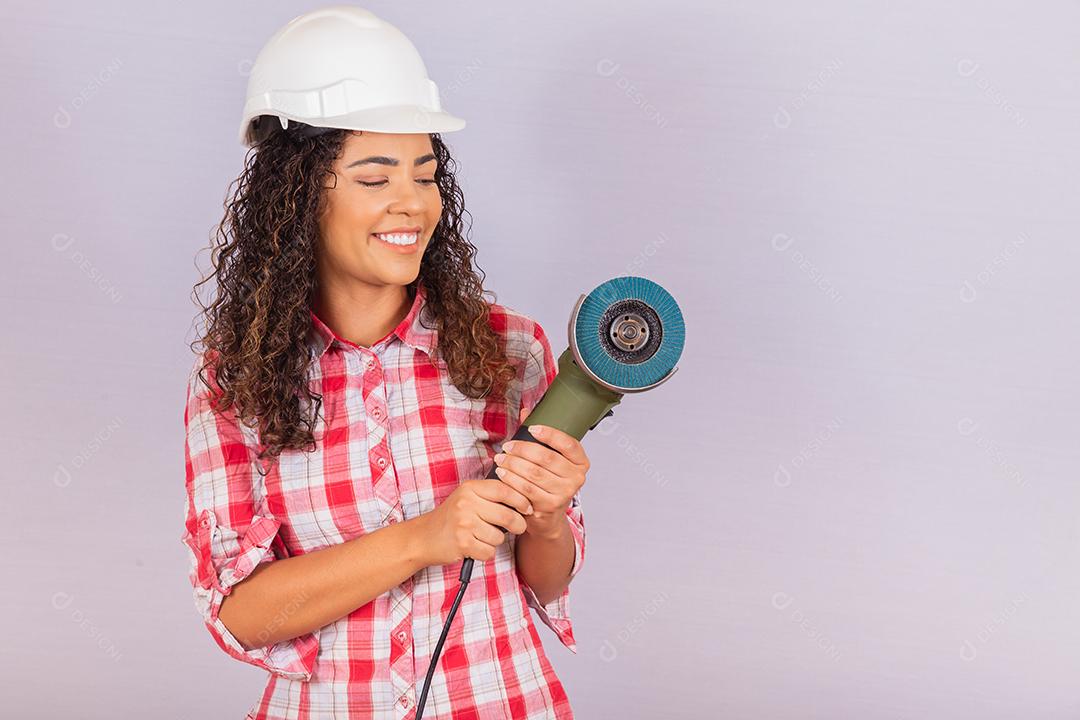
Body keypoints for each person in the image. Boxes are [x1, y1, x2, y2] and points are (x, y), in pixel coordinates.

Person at [179, 6, 588, 719]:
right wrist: (423, 538)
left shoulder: (510, 351)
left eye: (425, 176)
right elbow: (242, 616)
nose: (411, 204)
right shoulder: (234, 380)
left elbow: (545, 585)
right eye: (375, 179)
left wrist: (548, 517)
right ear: (299, 198)